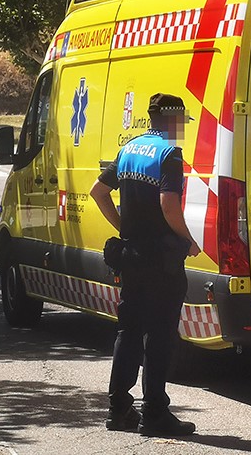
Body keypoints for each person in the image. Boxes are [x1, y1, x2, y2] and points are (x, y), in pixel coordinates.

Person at [90, 93, 201, 437]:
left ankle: (119, 408)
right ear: (172, 121)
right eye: (182, 121)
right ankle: (155, 413)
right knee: (159, 336)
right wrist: (188, 240)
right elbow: (169, 204)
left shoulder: (130, 149)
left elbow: (98, 192)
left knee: (129, 330)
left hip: (131, 257)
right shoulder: (169, 153)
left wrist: (123, 226)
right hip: (161, 262)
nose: (182, 127)